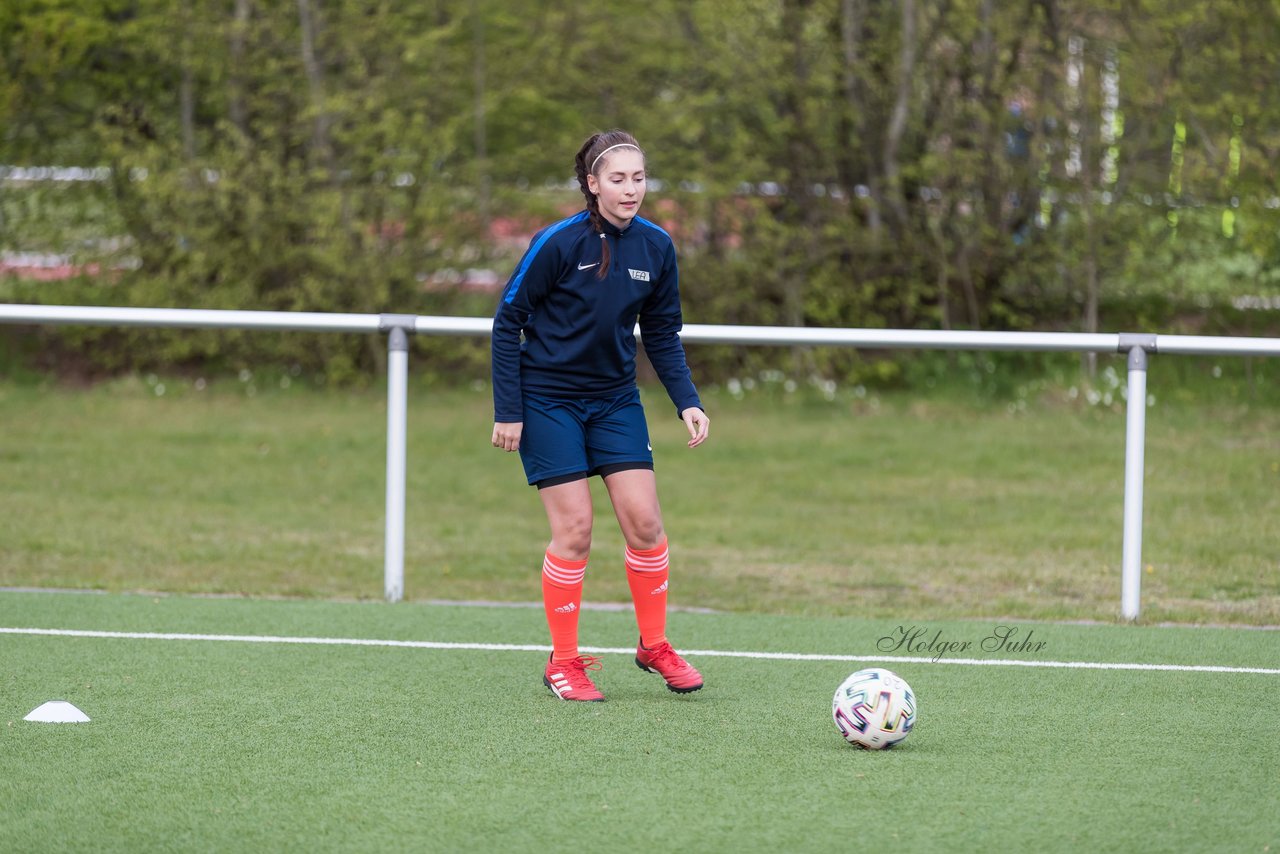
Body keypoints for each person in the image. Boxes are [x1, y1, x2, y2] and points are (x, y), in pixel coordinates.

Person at [491, 129, 711, 702]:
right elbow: (506, 321)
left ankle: (654, 645)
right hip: (547, 399)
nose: (631, 188)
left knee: (645, 523)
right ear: (593, 184)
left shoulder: (657, 247)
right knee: (576, 531)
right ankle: (564, 661)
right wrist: (509, 409)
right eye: (618, 178)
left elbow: (661, 333)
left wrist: (687, 399)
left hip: (614, 399)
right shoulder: (558, 242)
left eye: (639, 177)